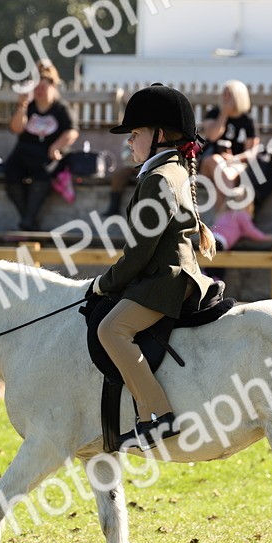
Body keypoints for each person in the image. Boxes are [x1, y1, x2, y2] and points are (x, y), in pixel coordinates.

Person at [94, 84, 217, 447]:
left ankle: (159, 415)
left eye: (135, 134)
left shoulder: (160, 180)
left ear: (160, 135)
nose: (129, 142)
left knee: (111, 330)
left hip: (164, 281)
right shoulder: (172, 170)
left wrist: (106, 282)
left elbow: (139, 253)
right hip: (168, 274)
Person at [4, 60, 78, 231]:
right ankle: (28, 221)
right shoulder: (27, 106)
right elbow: (16, 128)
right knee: (10, 173)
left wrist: (56, 147)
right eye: (36, 88)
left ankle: (27, 221)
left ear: (52, 87)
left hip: (47, 155)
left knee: (43, 176)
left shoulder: (61, 109)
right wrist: (21, 106)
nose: (38, 91)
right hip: (23, 153)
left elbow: (72, 131)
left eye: (42, 87)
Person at [198, 79, 259, 206]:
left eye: (229, 94)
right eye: (224, 94)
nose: (226, 98)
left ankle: (223, 216)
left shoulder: (247, 120)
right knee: (216, 161)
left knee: (226, 173)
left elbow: (251, 151)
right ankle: (231, 214)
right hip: (209, 162)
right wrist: (224, 115)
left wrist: (234, 158)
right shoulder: (214, 113)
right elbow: (212, 136)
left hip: (234, 163)